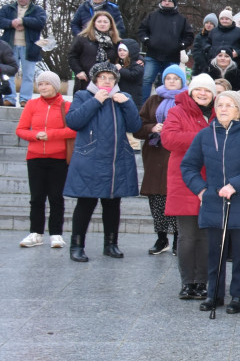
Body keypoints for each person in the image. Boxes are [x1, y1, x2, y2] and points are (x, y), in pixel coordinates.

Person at [181, 91, 240, 314]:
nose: (222, 108)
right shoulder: (204, 135)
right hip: (213, 203)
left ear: (238, 110)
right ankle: (215, 294)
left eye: (229, 105)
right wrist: (200, 190)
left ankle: (239, 295)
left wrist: (235, 185)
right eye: (219, 104)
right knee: (215, 252)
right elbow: (188, 166)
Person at [63, 62, 141, 262]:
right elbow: (73, 122)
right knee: (86, 203)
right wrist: (95, 101)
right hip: (90, 160)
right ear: (95, 79)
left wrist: (127, 104)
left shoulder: (123, 98)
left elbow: (135, 126)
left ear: (116, 80)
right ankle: (77, 245)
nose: (106, 81)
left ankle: (111, 244)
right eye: (102, 77)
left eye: (111, 77)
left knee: (113, 204)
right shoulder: (83, 96)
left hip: (117, 159)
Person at [162, 74, 217, 300]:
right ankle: (188, 282)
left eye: (207, 90)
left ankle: (202, 282)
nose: (202, 94)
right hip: (184, 180)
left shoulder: (219, 112)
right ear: (191, 91)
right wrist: (204, 137)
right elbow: (169, 139)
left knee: (205, 236)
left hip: (211, 181)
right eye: (198, 90)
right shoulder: (177, 111)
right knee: (186, 236)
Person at [15, 71, 74, 248]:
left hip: (58, 158)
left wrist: (50, 135)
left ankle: (56, 234)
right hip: (35, 157)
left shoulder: (66, 106)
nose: (43, 87)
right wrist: (35, 136)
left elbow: (73, 130)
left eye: (46, 84)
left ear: (55, 86)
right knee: (36, 197)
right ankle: (36, 233)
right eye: (40, 84)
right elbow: (21, 129)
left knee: (56, 197)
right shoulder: (32, 105)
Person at [134, 65, 187, 257]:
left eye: (175, 78)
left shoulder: (187, 100)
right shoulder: (153, 100)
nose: (171, 81)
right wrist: (152, 128)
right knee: (156, 198)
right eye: (168, 78)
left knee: (175, 196)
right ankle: (161, 237)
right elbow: (137, 126)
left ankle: (177, 238)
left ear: (182, 81)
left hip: (176, 154)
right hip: (155, 155)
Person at [137, 0, 194, 99]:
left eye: (170, 1)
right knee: (146, 79)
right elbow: (142, 30)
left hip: (172, 57)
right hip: (152, 55)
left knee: (170, 83)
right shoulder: (152, 16)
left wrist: (181, 45)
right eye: (164, 0)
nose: (166, 2)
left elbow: (189, 36)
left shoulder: (181, 19)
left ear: (175, 4)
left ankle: (166, 104)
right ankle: (142, 105)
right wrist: (146, 41)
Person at [0, 0, 47, 107]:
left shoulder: (37, 10)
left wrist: (22, 21)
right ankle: (9, 98)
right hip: (9, 47)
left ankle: (25, 100)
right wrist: (12, 23)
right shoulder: (8, 9)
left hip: (29, 48)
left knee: (28, 75)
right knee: (8, 73)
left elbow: (40, 22)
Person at [68, 11, 119, 93]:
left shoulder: (116, 42)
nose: (102, 24)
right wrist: (78, 71)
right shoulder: (82, 38)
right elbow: (72, 56)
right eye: (99, 21)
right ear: (94, 23)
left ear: (110, 25)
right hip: (85, 80)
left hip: (107, 83)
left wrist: (139, 59)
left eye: (105, 22)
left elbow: (125, 55)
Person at [115, 40, 146, 109]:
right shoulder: (119, 62)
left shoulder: (137, 64)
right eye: (120, 50)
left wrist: (120, 70)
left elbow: (133, 75)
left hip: (133, 97)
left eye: (124, 50)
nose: (121, 52)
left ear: (131, 51)